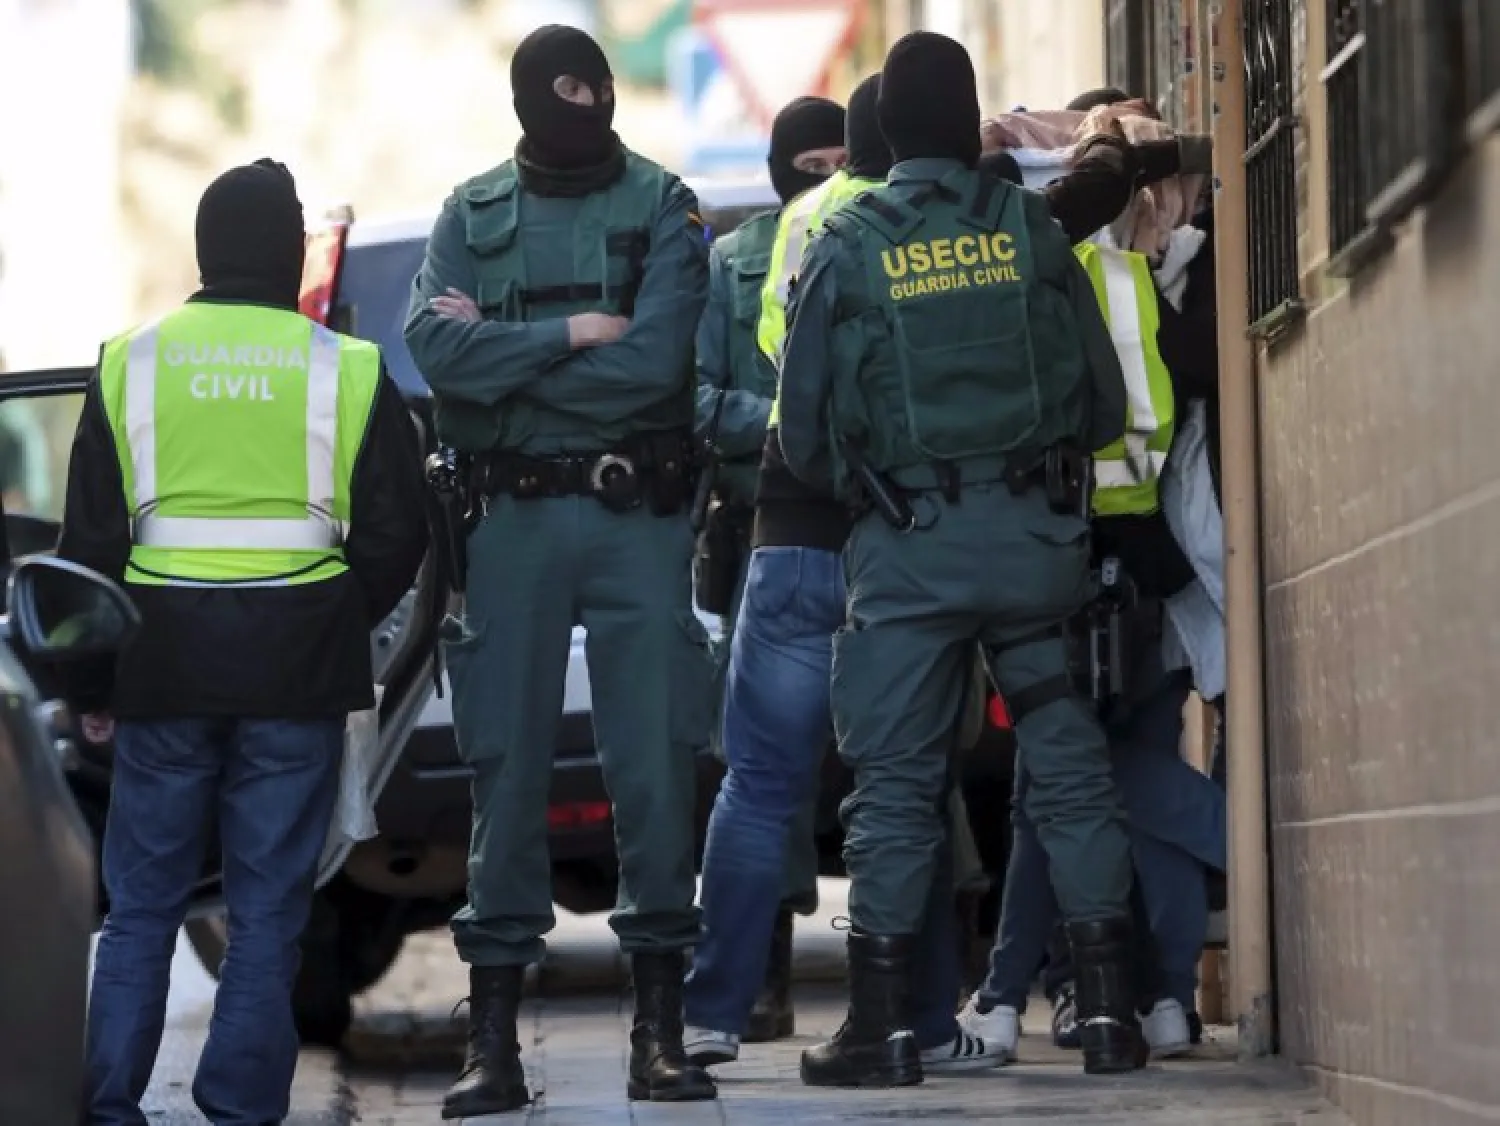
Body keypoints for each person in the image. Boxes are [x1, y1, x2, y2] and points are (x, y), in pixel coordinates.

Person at [777, 32, 1149, 1086]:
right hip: (1037, 553)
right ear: (969, 115)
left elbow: (801, 434)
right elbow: (1102, 404)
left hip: (913, 560)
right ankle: (1110, 1015)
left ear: (887, 130)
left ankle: (884, 1029)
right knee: (1070, 771)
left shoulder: (847, 244)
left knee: (893, 788)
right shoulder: (1028, 229)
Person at [64, 158, 428, 1126]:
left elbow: (89, 550)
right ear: (283, 253)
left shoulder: (128, 361)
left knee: (140, 907)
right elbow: (403, 532)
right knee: (267, 913)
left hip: (160, 672)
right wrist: (334, 616)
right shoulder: (345, 369)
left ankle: (106, 1104)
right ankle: (238, 1109)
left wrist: (89, 682)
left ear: (203, 248)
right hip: (295, 677)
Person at [403, 25, 716, 1114]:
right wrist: (577, 330)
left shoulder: (664, 204)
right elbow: (434, 356)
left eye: (597, 84)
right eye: (564, 86)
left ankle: (660, 1034)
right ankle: (492, 1045)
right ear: (529, 95)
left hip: (638, 516)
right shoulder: (470, 211)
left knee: (654, 771)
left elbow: (657, 363)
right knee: (506, 774)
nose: (585, 100)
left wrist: (512, 356)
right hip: (513, 523)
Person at [959, 86, 1227, 1062]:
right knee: (1098, 773)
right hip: (1134, 552)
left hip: (1078, 553)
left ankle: (1016, 997)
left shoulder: (1061, 259)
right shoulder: (1128, 268)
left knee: (1054, 786)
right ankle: (1154, 997)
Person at [692, 93, 846, 1043]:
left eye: (841, 157)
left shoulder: (871, 232)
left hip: (873, 532)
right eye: (807, 163)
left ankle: (917, 983)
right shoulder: (736, 262)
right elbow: (699, 398)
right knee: (765, 773)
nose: (823, 177)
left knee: (917, 769)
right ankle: (762, 980)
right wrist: (787, 431)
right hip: (764, 531)